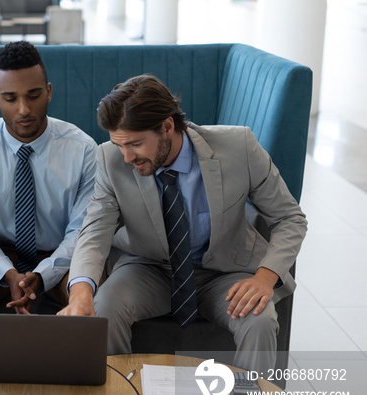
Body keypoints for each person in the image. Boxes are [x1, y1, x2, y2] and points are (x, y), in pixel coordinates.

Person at [59, 74, 307, 373]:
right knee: (104, 307)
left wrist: (265, 277)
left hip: (223, 273)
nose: (126, 157)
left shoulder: (238, 147)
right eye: (119, 144)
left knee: (260, 321)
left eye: (135, 144)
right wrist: (81, 293)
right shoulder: (110, 159)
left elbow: (290, 218)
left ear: (167, 126)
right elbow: (94, 232)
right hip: (149, 269)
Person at [0, 41, 98, 335]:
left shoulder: (83, 150)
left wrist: (42, 275)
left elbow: (82, 233)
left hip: (63, 254)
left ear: (49, 92)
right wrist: (9, 273)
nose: (23, 109)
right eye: (10, 98)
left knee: (93, 298)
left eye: (34, 95)